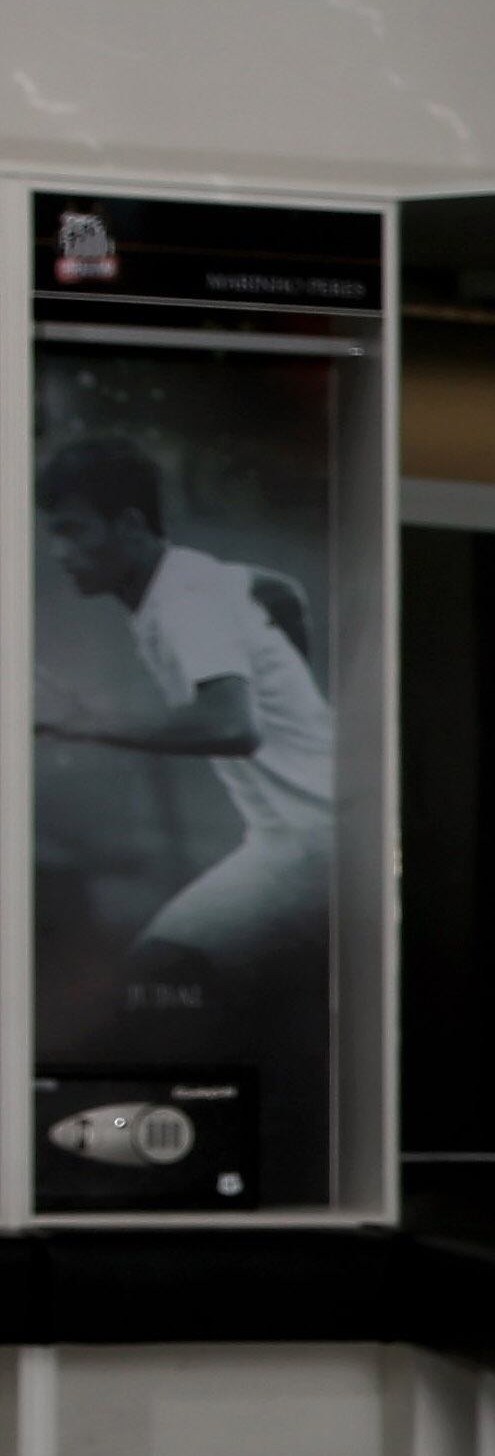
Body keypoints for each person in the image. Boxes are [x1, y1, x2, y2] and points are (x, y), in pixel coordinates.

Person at [35, 434, 336, 1174]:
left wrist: (83, 720)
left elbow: (232, 725)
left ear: (131, 527)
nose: (59, 552)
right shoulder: (194, 581)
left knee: (157, 978)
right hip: (300, 837)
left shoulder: (183, 603)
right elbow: (275, 590)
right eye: (53, 534)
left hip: (309, 843)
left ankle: (184, 1160)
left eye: (73, 531)